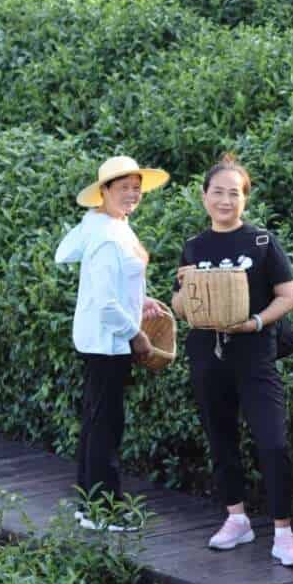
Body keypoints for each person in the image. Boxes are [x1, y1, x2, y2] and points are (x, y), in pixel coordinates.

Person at [171, 154, 293, 566]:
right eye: (218, 192)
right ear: (204, 196)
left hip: (254, 356)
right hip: (208, 356)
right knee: (221, 437)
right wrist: (182, 292)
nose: (225, 200)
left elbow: (289, 296)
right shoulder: (194, 246)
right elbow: (180, 306)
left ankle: (284, 531)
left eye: (234, 193)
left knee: (273, 441)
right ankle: (236, 518)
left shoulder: (261, 242)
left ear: (244, 199)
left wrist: (255, 322)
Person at [55, 155, 170, 531]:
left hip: (101, 340)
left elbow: (119, 280)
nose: (132, 195)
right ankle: (102, 511)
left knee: (96, 419)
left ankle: (87, 504)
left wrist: (143, 300)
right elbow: (106, 303)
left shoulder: (111, 224)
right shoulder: (105, 233)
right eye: (123, 188)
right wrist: (135, 333)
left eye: (136, 188)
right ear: (103, 192)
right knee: (106, 425)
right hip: (109, 341)